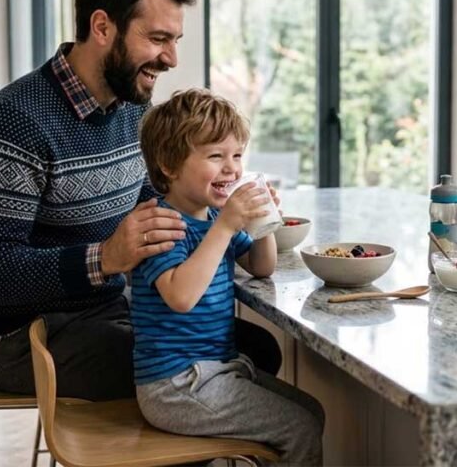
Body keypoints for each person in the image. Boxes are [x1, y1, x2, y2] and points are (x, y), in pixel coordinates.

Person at [0, 0, 280, 399]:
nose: (170, 58)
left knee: (256, 348)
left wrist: (225, 206)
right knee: (195, 367)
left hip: (109, 309)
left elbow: (161, 203)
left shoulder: (134, 110)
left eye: (175, 40)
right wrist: (106, 257)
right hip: (28, 338)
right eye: (157, 39)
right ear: (102, 27)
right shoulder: (15, 120)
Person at [133, 89, 324, 466]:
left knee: (312, 412)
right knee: (299, 427)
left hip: (214, 371)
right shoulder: (163, 224)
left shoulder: (211, 219)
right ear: (169, 165)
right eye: (216, 156)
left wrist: (264, 220)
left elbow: (261, 265)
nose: (232, 168)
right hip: (176, 385)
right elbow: (181, 297)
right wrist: (225, 226)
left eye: (236, 155)